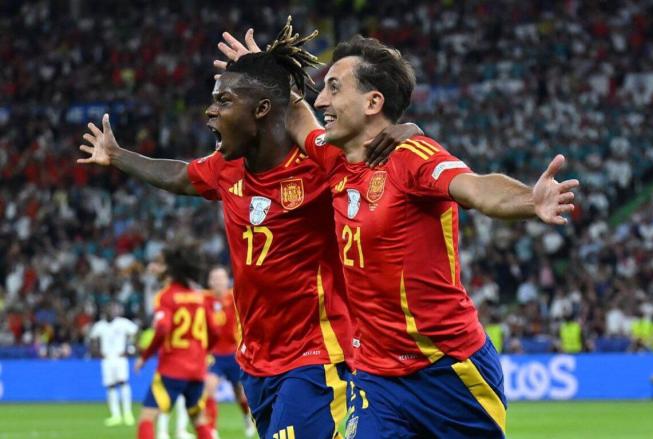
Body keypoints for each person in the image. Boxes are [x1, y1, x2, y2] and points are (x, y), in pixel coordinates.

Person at [218, 32, 579, 438]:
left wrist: (531, 199)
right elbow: (299, 115)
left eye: (335, 89)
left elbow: (476, 188)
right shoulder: (333, 158)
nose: (323, 101)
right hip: (375, 377)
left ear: (373, 103)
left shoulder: (411, 158)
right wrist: (264, 73)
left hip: (448, 370)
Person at [78, 18, 419, 439]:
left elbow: (384, 154)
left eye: (223, 101)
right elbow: (181, 176)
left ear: (260, 111)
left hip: (316, 354)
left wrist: (407, 132)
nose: (210, 111)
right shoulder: (227, 168)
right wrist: (117, 155)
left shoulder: (319, 165)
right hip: (255, 361)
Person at [134, 242, 217, 439]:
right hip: (197, 370)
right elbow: (214, 331)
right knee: (198, 420)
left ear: (170, 269)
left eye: (159, 264)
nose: (155, 268)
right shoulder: (198, 297)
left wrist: (145, 356)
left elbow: (162, 328)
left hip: (172, 368)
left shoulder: (165, 296)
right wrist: (203, 353)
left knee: (146, 418)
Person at [203, 266, 255, 438]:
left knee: (239, 393)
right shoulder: (204, 299)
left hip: (234, 354)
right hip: (214, 354)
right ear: (210, 281)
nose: (218, 281)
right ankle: (211, 429)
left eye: (221, 278)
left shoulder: (235, 296)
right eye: (214, 278)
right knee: (209, 389)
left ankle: (247, 416)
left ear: (227, 280)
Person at [88, 301, 139, 427]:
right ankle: (115, 415)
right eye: (109, 309)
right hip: (107, 359)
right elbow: (93, 339)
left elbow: (136, 332)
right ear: (105, 311)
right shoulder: (100, 326)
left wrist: (130, 348)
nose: (112, 311)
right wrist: (97, 351)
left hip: (120, 357)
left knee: (123, 383)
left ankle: (127, 414)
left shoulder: (123, 323)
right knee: (110, 386)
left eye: (114, 309)